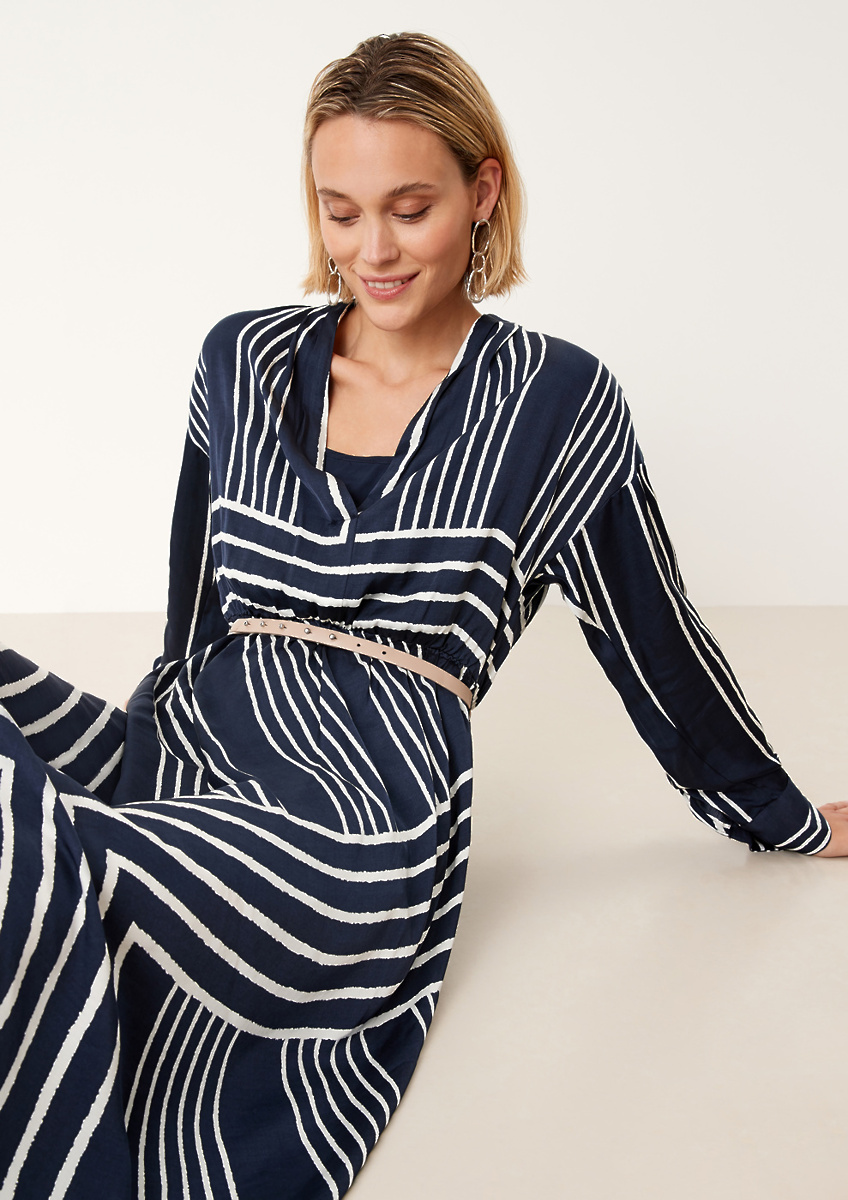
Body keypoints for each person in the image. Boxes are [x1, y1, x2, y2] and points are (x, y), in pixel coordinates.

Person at [1, 29, 846, 1200]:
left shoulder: (556, 402)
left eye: (408, 209)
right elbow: (195, 608)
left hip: (357, 815)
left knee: (48, 863)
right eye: (339, 212)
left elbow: (656, 642)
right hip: (201, 748)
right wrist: (154, 756)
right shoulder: (238, 358)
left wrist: (781, 818)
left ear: (481, 190)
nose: (371, 251)